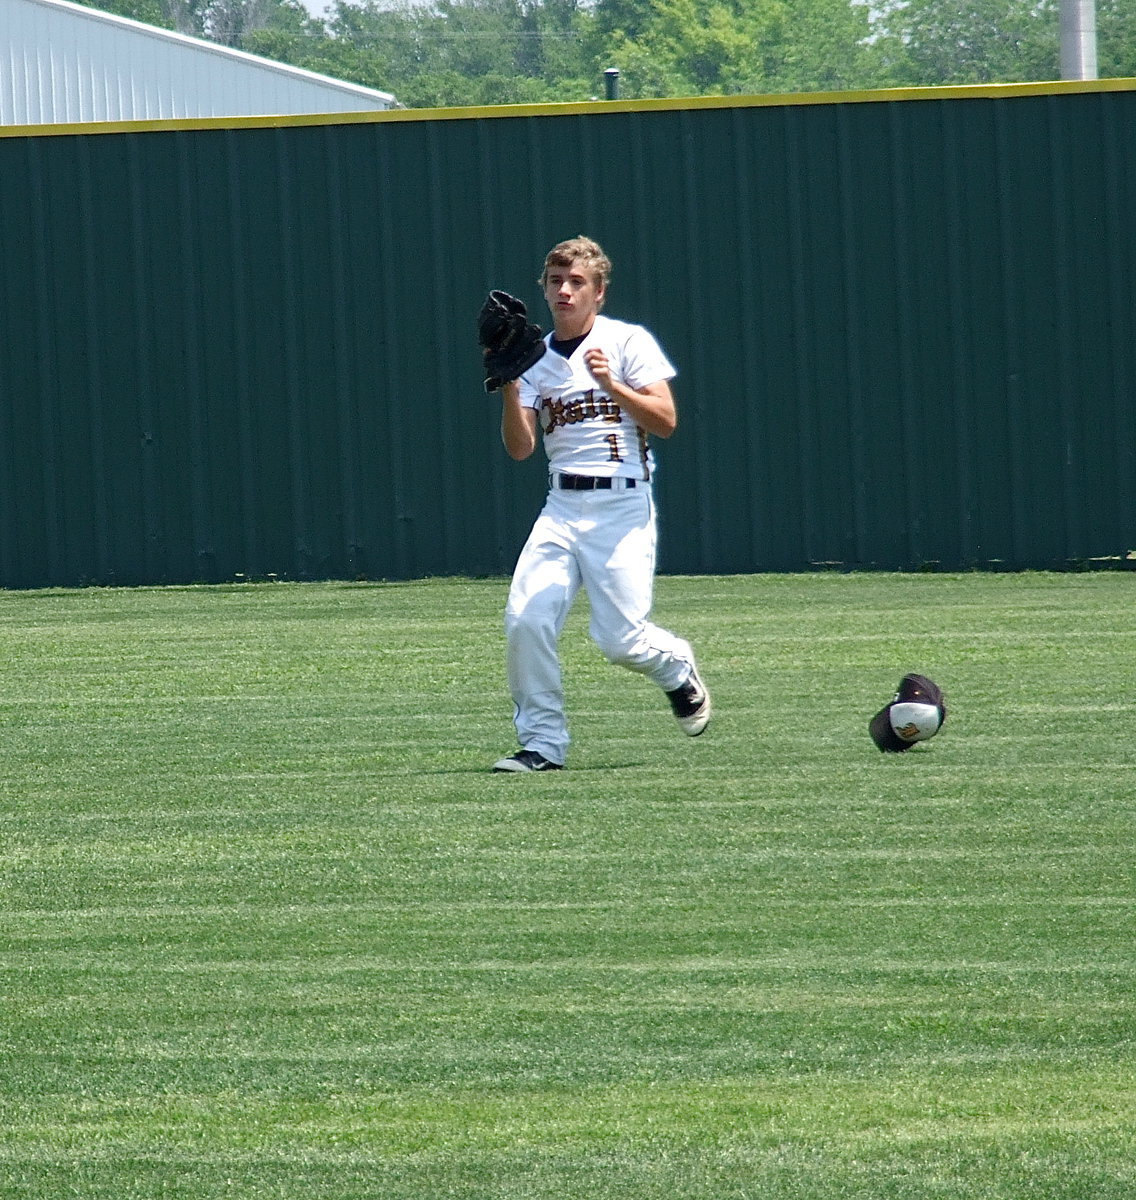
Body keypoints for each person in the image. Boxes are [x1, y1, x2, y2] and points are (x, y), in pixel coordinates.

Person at [492, 235, 710, 772]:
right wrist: (505, 383)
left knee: (620, 641)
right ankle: (543, 744)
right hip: (562, 506)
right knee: (525, 619)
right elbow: (520, 449)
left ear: (599, 292)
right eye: (554, 281)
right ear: (542, 289)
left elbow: (666, 421)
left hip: (622, 506)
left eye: (576, 282)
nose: (564, 290)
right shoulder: (531, 357)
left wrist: (612, 384)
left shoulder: (627, 342)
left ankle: (676, 669)